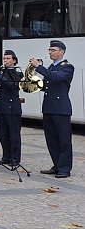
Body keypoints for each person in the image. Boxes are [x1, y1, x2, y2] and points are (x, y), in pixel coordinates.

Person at [34, 40, 75, 178]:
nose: (50, 52)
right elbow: (48, 85)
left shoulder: (67, 67)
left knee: (64, 140)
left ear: (62, 52)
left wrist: (39, 67)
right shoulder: (50, 68)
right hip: (49, 107)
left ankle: (64, 169)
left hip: (61, 108)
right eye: (49, 50)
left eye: (53, 50)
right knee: (51, 140)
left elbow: (55, 78)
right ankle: (57, 165)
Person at [0, 50, 23, 166]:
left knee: (13, 134)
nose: (5, 61)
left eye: (8, 58)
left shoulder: (18, 72)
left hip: (12, 107)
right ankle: (6, 156)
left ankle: (15, 158)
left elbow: (11, 85)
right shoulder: (1, 72)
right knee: (2, 134)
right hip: (0, 106)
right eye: (4, 59)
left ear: (14, 60)